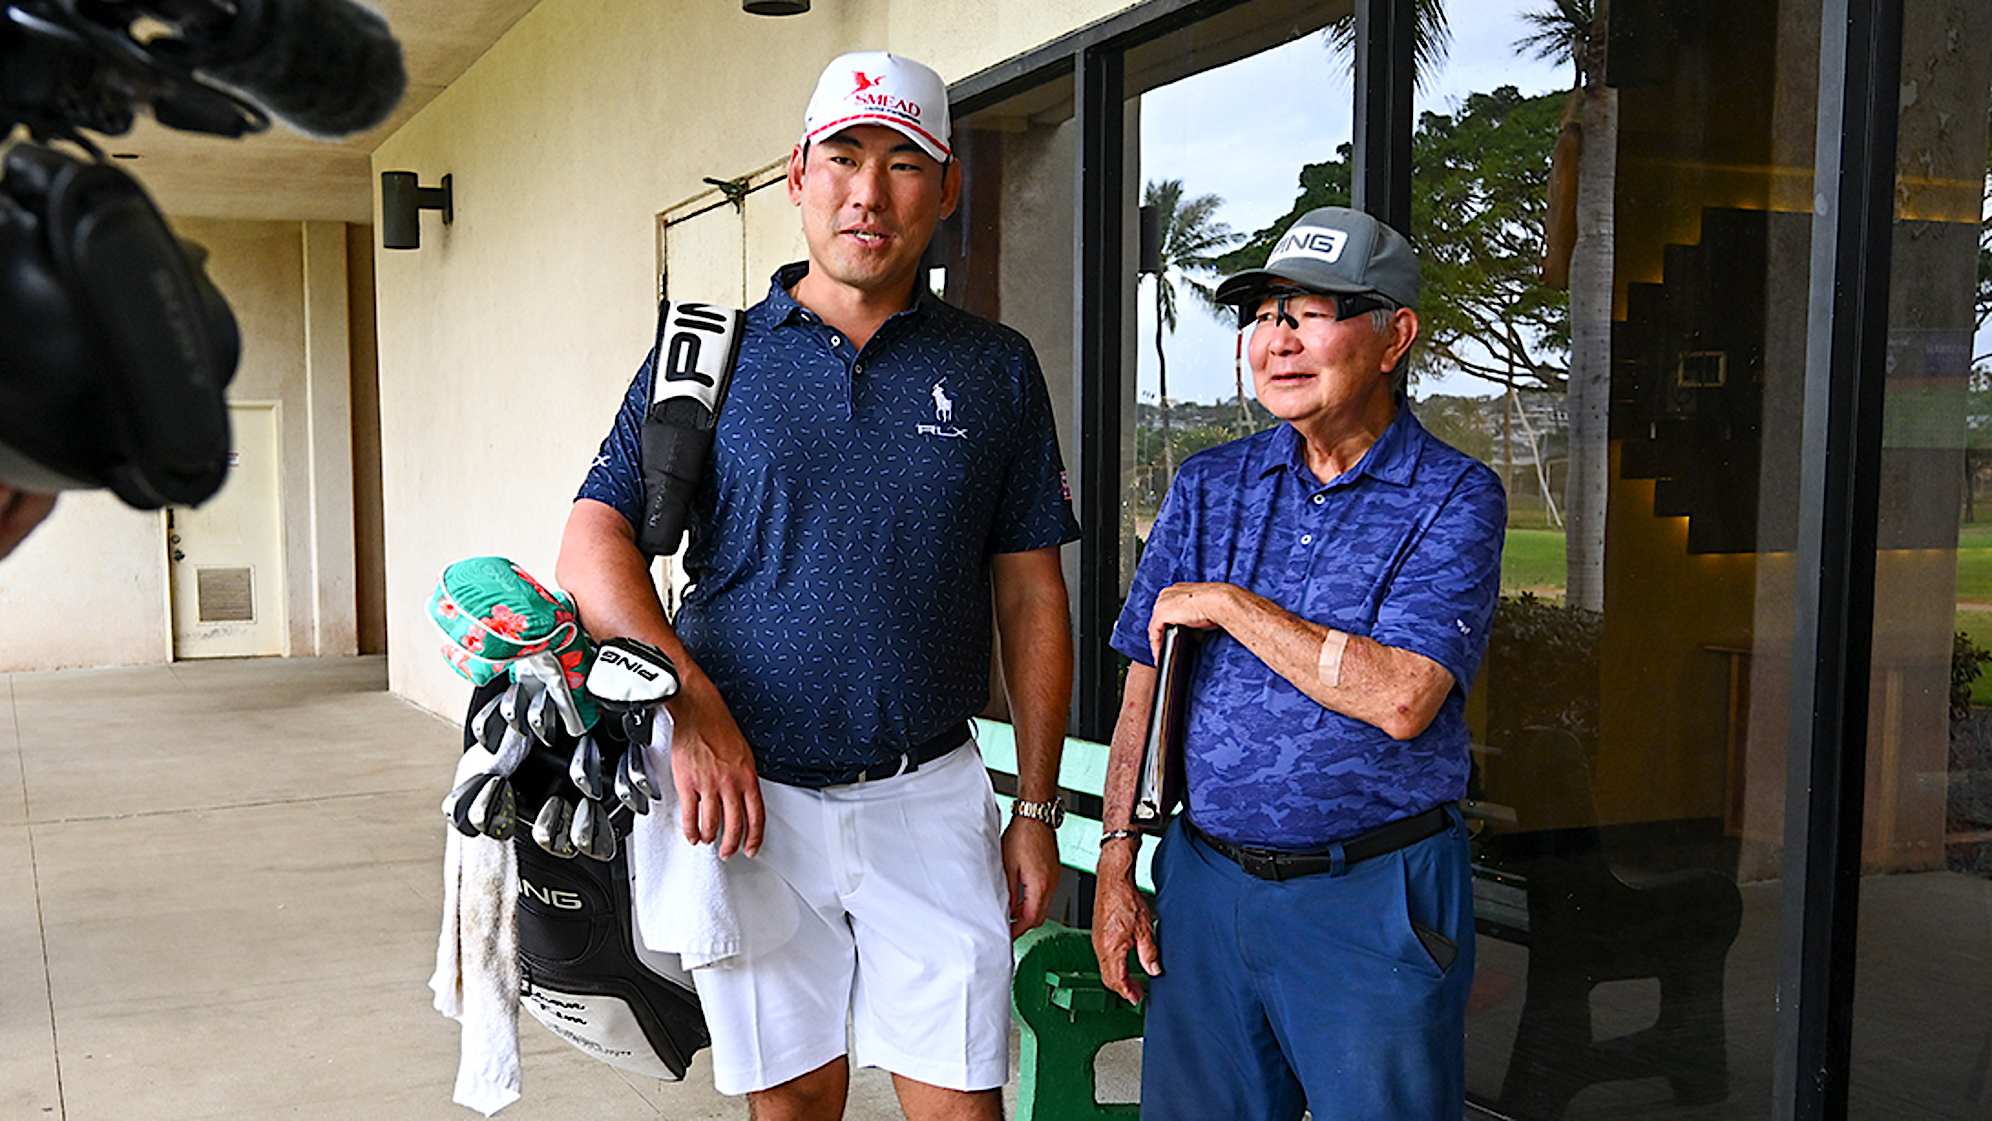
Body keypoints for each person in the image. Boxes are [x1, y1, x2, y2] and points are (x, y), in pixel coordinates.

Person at [555, 50, 1080, 1121]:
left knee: (961, 1103)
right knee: (791, 1102)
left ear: (946, 188)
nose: (868, 192)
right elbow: (593, 536)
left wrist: (1033, 806)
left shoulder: (995, 368)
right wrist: (687, 699)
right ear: (797, 174)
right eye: (843, 157)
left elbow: (1031, 596)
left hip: (929, 795)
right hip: (749, 807)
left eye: (903, 163)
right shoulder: (704, 355)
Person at [1089, 206, 1506, 1121]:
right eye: (1267, 314)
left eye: (1312, 313)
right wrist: (1118, 863)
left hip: (1371, 897)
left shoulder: (1453, 497)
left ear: (1396, 336)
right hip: (1207, 886)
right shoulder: (1210, 486)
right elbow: (1143, 683)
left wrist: (1232, 607)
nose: (1278, 339)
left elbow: (1403, 696)